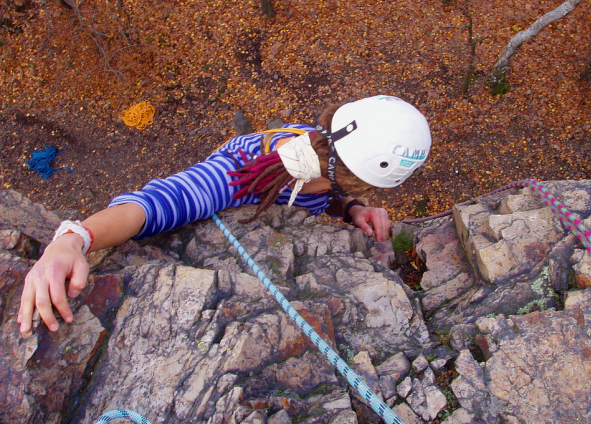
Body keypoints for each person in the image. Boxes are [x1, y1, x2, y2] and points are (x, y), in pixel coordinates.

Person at [18, 95, 432, 334]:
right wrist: (72, 241)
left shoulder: (322, 142)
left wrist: (351, 207)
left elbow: (327, 191)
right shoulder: (236, 178)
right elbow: (153, 206)